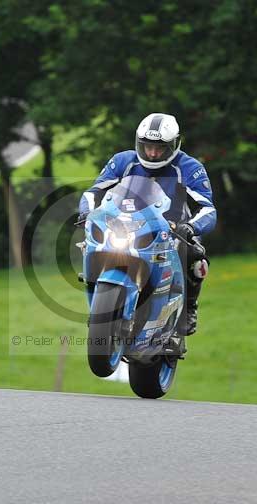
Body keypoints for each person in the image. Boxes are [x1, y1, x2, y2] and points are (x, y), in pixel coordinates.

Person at [78, 113, 216, 336]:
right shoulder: (123, 161)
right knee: (91, 244)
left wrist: (190, 228)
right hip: (125, 226)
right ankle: (99, 310)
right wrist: (87, 212)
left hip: (173, 230)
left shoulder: (190, 167)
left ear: (174, 145)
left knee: (197, 261)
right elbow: (94, 192)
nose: (152, 153)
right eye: (147, 146)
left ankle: (189, 307)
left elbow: (207, 208)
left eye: (159, 148)